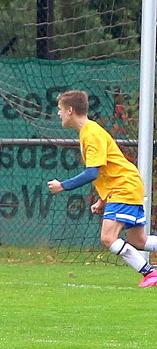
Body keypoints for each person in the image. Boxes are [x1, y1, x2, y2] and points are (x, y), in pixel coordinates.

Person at [48, 90, 157, 287]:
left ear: (70, 110)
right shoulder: (88, 132)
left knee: (108, 238)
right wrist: (102, 200)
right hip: (126, 185)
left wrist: (62, 186)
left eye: (60, 109)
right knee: (139, 241)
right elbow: (107, 170)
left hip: (123, 187)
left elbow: (92, 173)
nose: (59, 113)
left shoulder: (91, 134)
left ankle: (150, 273)